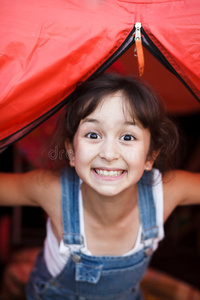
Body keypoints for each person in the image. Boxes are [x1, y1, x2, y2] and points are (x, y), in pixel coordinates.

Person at [0, 73, 199, 300]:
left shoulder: (164, 192)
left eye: (127, 137)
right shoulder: (52, 190)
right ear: (72, 152)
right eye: (93, 134)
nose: (108, 154)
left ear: (150, 156)